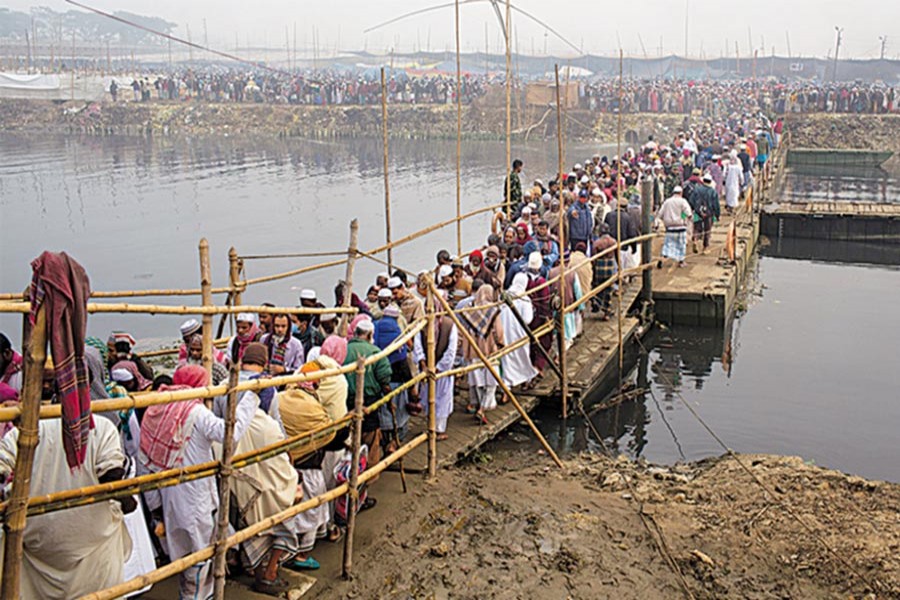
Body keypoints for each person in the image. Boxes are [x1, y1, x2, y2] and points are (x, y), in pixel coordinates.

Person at [139, 364, 258, 600]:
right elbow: (229, 434)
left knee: (185, 552)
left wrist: (155, 508)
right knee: (199, 554)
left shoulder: (158, 409)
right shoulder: (195, 412)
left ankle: (195, 595)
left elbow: (145, 459)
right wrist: (251, 399)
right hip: (194, 495)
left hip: (170, 495)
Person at [0, 410, 135, 599]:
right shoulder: (101, 427)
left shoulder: (25, 431)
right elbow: (111, 475)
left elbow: (1, 466)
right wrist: (129, 502)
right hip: (92, 540)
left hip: (38, 539)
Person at [343, 318, 392, 479]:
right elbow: (384, 378)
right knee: (370, 441)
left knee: (349, 440)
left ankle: (350, 474)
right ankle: (367, 479)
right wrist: (389, 396)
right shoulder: (374, 352)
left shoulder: (344, 349)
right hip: (368, 401)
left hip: (345, 401)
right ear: (370, 334)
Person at [459, 285, 504, 423]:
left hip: (473, 351)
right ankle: (482, 408)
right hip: (489, 350)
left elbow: (462, 331)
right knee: (491, 381)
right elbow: (498, 331)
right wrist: (501, 343)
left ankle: (479, 405)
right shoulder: (493, 311)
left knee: (478, 380)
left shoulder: (470, 310)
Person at [499, 273, 539, 391]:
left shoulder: (503, 296)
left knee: (506, 359)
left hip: (505, 331)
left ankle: (507, 384)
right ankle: (525, 378)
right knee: (522, 356)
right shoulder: (524, 299)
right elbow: (527, 319)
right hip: (519, 333)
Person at [655, 186, 693, 268]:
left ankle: (662, 259)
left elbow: (660, 214)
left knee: (667, 245)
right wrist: (689, 219)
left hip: (669, 228)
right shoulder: (682, 201)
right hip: (680, 226)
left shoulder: (667, 202)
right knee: (681, 245)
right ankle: (681, 261)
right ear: (681, 193)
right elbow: (688, 213)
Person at [688, 173, 721, 254]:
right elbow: (716, 204)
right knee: (707, 230)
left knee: (696, 228)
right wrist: (717, 215)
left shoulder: (697, 189)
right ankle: (705, 247)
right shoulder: (713, 192)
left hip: (697, 212)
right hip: (709, 213)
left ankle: (695, 240)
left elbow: (691, 200)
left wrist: (692, 209)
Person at [591, 225, 618, 318]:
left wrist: (593, 268)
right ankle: (607, 311)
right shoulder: (613, 241)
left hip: (599, 266)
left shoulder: (597, 243)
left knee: (598, 287)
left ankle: (598, 304)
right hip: (609, 266)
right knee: (608, 289)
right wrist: (619, 267)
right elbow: (617, 256)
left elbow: (593, 258)